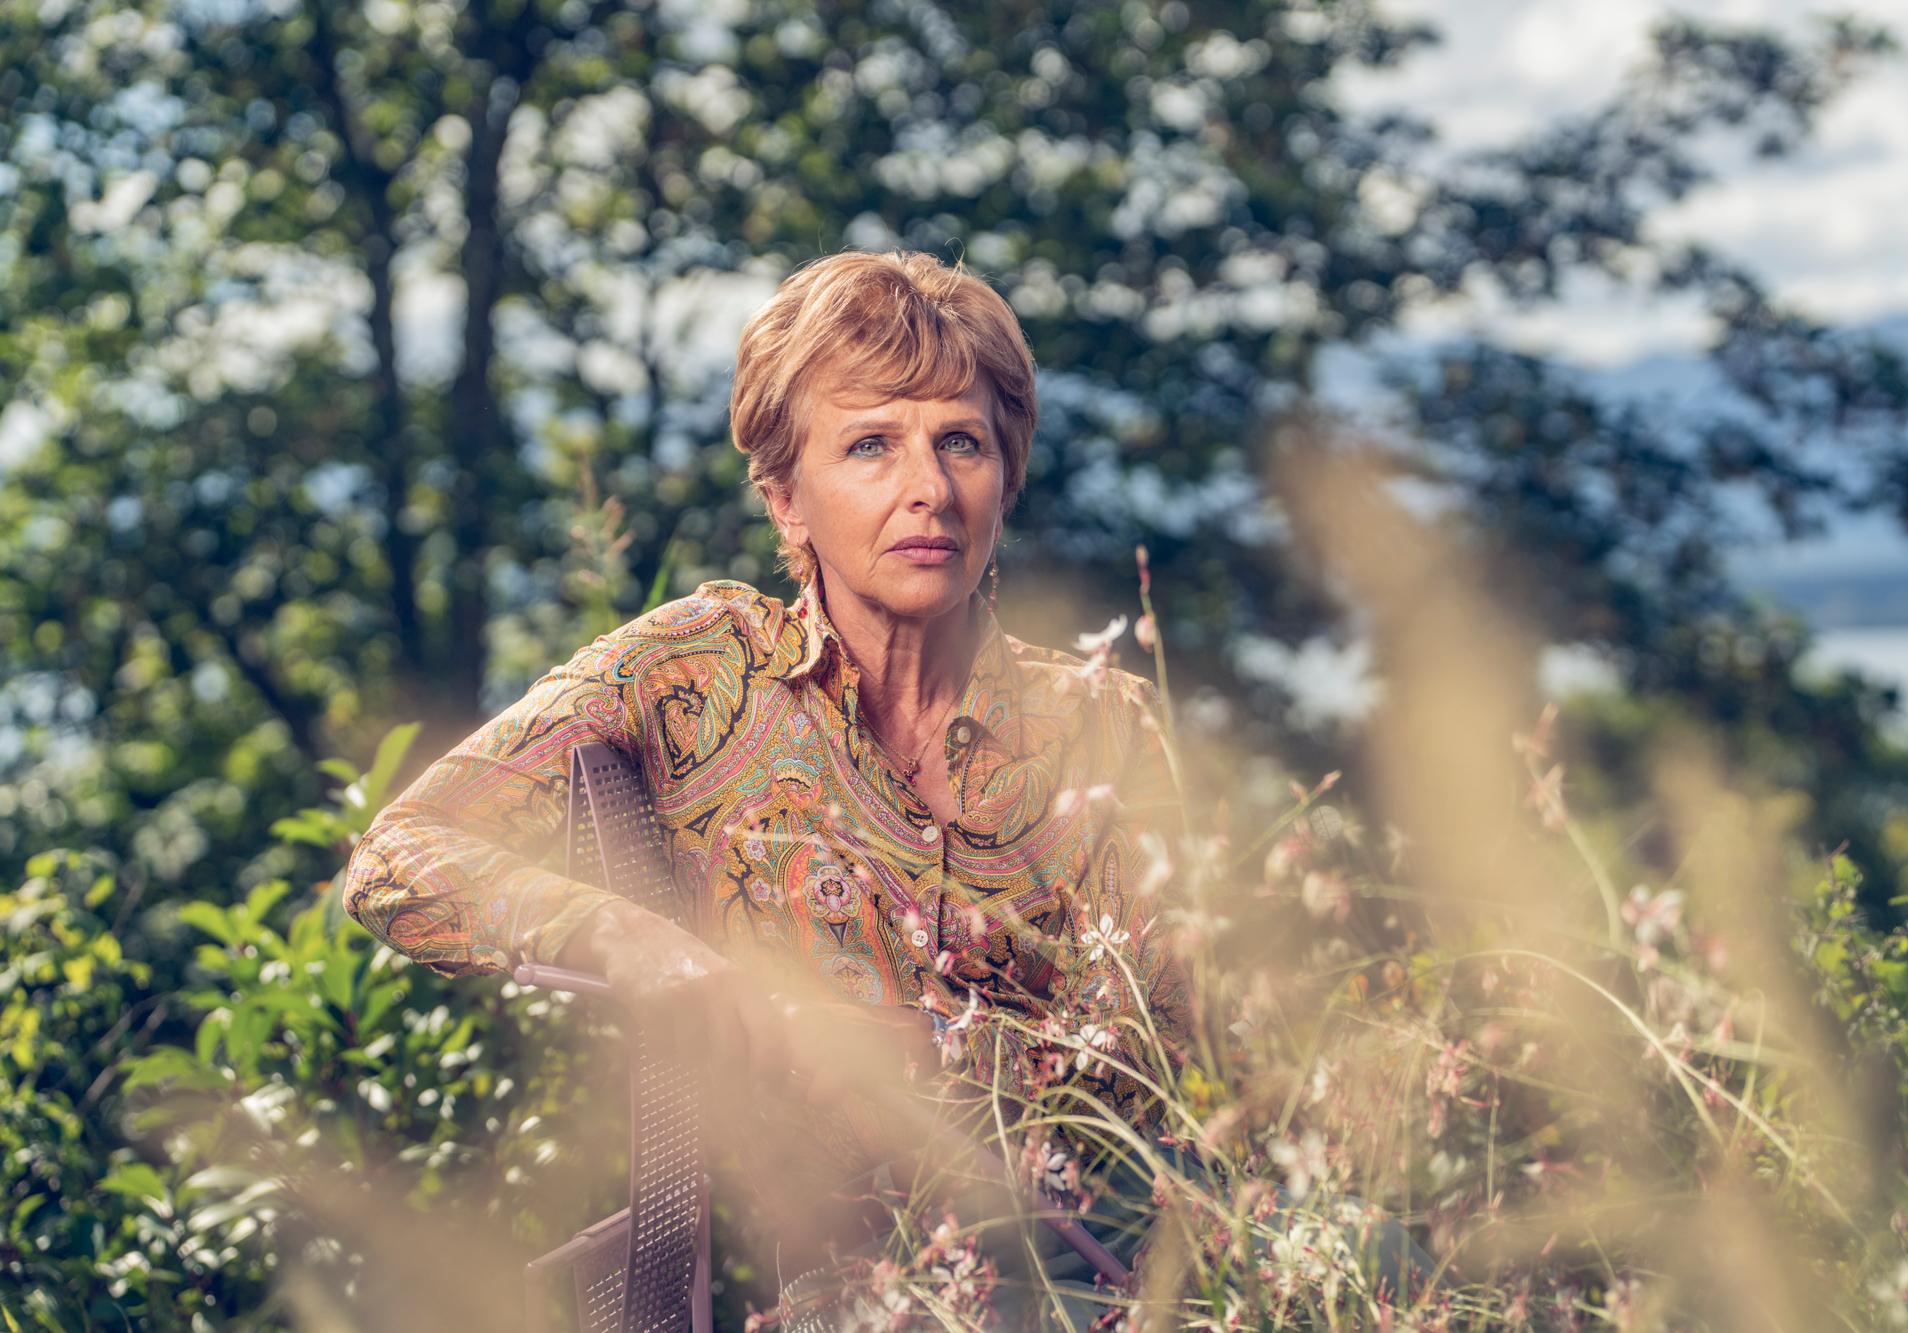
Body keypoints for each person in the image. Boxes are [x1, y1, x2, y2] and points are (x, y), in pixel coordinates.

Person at [342, 249, 1433, 1326]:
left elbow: (1165, 1062)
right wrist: (633, 941)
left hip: (1099, 1243)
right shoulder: (694, 672)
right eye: (870, 444)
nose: (929, 490)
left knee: (1391, 1257)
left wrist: (929, 1047)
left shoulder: (1103, 723)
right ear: (786, 499)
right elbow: (398, 855)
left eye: (961, 442)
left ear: (1004, 477)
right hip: (845, 1280)